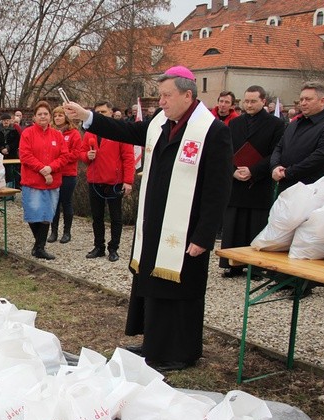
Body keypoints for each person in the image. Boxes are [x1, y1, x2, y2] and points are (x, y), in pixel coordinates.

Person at [63, 65, 233, 372]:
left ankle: (179, 352)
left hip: (186, 227)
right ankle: (155, 343)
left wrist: (204, 235)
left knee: (180, 290)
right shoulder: (160, 123)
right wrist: (86, 116)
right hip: (155, 221)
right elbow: (126, 131)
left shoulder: (213, 132)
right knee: (152, 284)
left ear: (187, 95)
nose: (161, 102)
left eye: (167, 96)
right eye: (160, 96)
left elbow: (218, 189)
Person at [219, 85, 286, 277]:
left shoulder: (276, 124)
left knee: (255, 224)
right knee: (234, 223)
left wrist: (253, 170)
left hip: (259, 180)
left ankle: (255, 266)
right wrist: (232, 171)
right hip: (237, 180)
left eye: (253, 101)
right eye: (246, 101)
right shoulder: (235, 124)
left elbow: (276, 152)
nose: (248, 105)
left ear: (263, 101)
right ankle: (233, 263)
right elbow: (226, 150)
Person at [80, 101, 135, 261]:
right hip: (95, 180)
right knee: (97, 217)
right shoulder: (90, 132)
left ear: (111, 112)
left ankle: (114, 248)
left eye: (103, 112)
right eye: (98, 112)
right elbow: (82, 153)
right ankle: (99, 246)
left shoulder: (119, 131)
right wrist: (86, 157)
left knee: (115, 217)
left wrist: (128, 181)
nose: (100, 114)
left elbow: (128, 157)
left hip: (114, 181)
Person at [270, 82, 324, 194]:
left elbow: (321, 156)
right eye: (301, 99)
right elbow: (279, 147)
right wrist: (275, 166)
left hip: (312, 188)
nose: (303, 103)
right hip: (286, 185)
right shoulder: (294, 123)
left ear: (322, 101)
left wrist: (288, 172)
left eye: (308, 99)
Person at [19, 101, 69, 260]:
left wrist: (51, 168)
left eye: (46, 114)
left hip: (52, 182)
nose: (43, 116)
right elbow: (25, 155)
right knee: (34, 214)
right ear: (34, 117)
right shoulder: (27, 133)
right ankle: (38, 245)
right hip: (32, 181)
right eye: (39, 114)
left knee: (47, 214)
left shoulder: (57, 135)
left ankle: (39, 248)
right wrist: (42, 169)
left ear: (50, 117)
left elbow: (65, 156)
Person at [47, 105, 82, 244]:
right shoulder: (50, 132)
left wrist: (61, 158)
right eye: (55, 116)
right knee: (54, 204)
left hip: (68, 173)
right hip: (54, 173)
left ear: (66, 117)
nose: (57, 118)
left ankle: (67, 232)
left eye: (60, 115)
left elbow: (76, 154)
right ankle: (53, 231)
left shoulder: (74, 134)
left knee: (66, 202)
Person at [0, 113, 21, 187]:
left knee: (11, 173)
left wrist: (8, 148)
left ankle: (11, 190)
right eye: (4, 120)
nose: (6, 122)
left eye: (7, 120)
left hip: (11, 155)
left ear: (10, 121)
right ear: (1, 121)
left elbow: (17, 142)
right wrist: (1, 149)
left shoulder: (14, 131)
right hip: (0, 156)